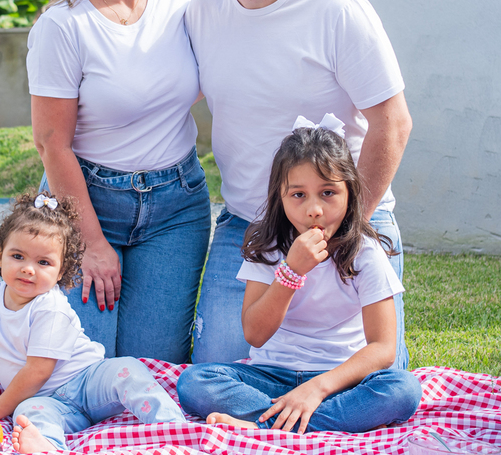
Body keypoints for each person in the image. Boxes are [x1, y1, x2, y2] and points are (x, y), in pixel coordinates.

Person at [187, 0, 414, 368]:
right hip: (251, 226)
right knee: (214, 373)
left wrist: (347, 227)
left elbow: (393, 123)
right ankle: (287, 415)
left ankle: (308, 405)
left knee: (376, 376)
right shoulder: (199, 14)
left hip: (350, 217)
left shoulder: (339, 10)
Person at [26, 0, 211, 363]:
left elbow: (201, 76)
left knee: (154, 366)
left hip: (176, 207)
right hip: (83, 202)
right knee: (82, 363)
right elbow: (52, 145)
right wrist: (91, 243)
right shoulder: (62, 26)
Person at [176, 119, 421, 433]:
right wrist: (291, 272)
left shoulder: (365, 253)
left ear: (350, 192)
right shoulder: (268, 248)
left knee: (403, 389)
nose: (314, 209)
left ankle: (266, 425)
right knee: (195, 382)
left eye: (328, 192)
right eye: (299, 195)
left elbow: (383, 349)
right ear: (281, 196)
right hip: (270, 377)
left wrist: (316, 388)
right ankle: (298, 423)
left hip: (338, 383)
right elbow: (255, 334)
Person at [0, 191, 187, 453]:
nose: (29, 269)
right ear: (0, 252)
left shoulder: (50, 308)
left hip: (86, 382)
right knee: (27, 412)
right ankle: (48, 447)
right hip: (45, 400)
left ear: (61, 271)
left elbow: (37, 371)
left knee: (127, 370)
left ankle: (173, 428)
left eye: (43, 262)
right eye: (18, 256)